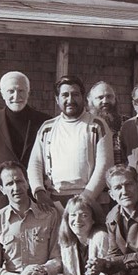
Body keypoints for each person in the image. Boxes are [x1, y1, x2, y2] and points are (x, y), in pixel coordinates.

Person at [27, 75, 114, 209]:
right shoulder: (47, 127)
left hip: (91, 200)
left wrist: (86, 198)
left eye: (75, 94)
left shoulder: (97, 125)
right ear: (57, 99)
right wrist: (38, 191)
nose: (70, 100)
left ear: (83, 98)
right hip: (55, 201)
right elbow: (35, 163)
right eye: (65, 95)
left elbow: (105, 166)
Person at [0, 71, 50, 218]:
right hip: (0, 198)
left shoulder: (43, 121)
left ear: (28, 92)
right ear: (2, 94)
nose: (16, 96)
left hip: (34, 196)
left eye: (21, 91)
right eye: (10, 91)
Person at [87, 81, 129, 165]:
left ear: (115, 99)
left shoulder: (127, 123)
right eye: (100, 97)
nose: (105, 101)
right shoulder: (85, 124)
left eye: (109, 97)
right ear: (90, 101)